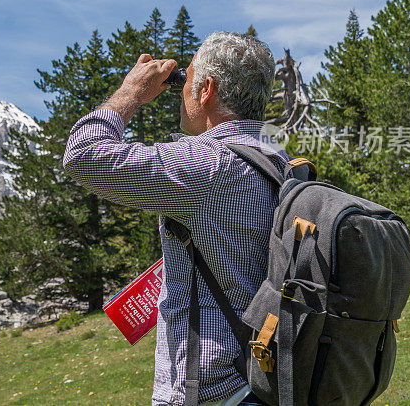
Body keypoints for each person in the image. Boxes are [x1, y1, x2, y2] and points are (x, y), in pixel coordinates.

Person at [63, 32, 286, 406]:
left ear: (206, 90)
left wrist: (131, 92)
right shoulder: (275, 159)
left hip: (215, 390)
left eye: (188, 78)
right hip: (264, 377)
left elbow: (84, 155)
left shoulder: (208, 165)